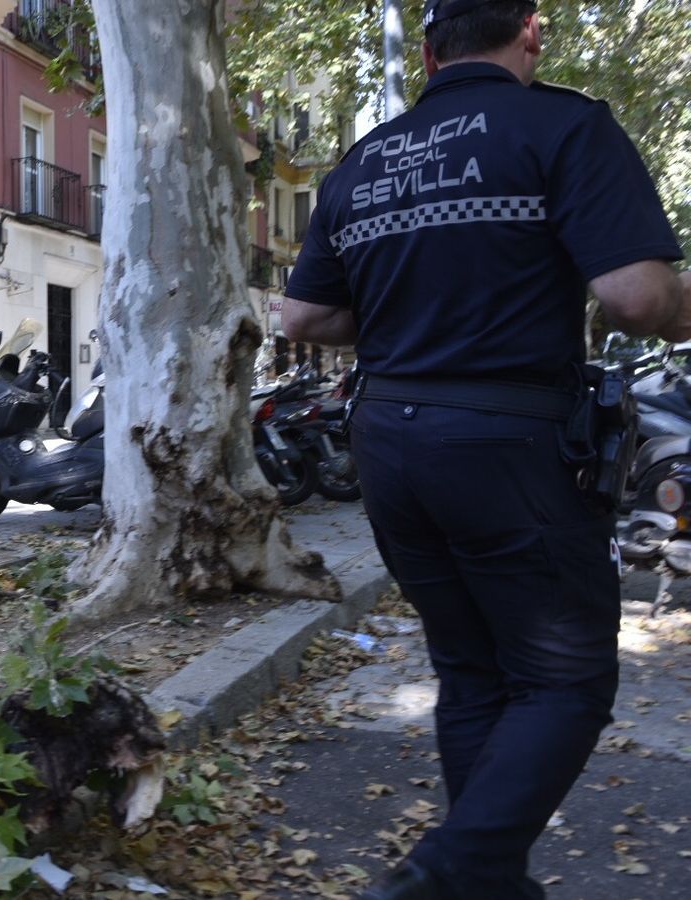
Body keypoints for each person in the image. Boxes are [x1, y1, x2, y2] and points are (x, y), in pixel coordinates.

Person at [281, 1, 691, 897]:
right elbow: (634, 298)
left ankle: (487, 886)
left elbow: (308, 317)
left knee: (471, 674)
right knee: (565, 683)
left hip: (387, 440)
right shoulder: (564, 125)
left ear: (429, 52)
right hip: (508, 442)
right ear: (532, 31)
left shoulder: (362, 160)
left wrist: (407, 307)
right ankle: (444, 871)